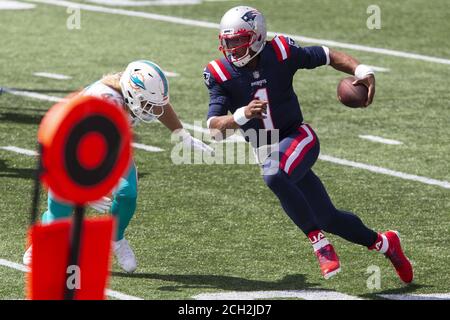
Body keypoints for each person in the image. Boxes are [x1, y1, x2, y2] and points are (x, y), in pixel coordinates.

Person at [203, 6, 413, 282]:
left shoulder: (280, 52)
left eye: (238, 41)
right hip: (268, 149)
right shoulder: (219, 73)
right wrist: (242, 114)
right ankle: (386, 243)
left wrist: (362, 70)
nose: (232, 49)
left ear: (257, 37)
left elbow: (327, 55)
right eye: (228, 42)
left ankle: (319, 243)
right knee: (329, 217)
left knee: (273, 173)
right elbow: (213, 126)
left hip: (299, 137)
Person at [24, 60, 213, 273]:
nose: (151, 110)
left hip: (111, 146)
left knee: (127, 193)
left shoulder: (133, 94)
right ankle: (42, 242)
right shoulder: (102, 102)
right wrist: (83, 190)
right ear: (132, 95)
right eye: (147, 104)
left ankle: (116, 237)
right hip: (67, 147)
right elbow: (69, 144)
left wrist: (182, 134)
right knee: (62, 208)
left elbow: (159, 105)